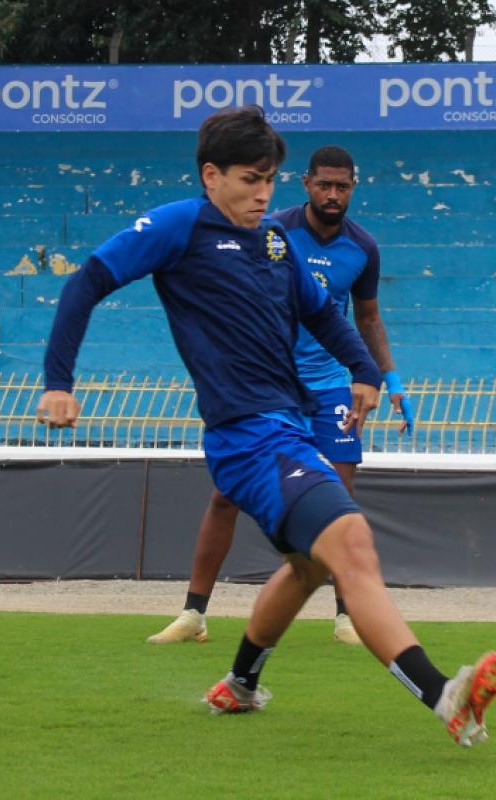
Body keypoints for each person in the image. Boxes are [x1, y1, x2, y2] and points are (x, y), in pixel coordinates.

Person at [37, 106, 496, 745]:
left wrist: (363, 371)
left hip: (287, 426)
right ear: (212, 175)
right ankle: (443, 697)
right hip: (248, 436)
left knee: (308, 567)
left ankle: (241, 684)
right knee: (350, 543)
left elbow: (323, 314)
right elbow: (87, 280)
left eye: (271, 181)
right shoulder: (179, 226)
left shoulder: (276, 242)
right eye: (251, 179)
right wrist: (59, 383)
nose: (263, 194)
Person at [146, 144, 415, 647]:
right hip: (273, 385)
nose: (333, 194)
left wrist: (389, 377)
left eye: (343, 186)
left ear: (353, 188)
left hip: (334, 382)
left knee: (339, 493)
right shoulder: (274, 232)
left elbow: (367, 317)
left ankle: (345, 617)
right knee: (225, 496)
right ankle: (194, 614)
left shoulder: (364, 248)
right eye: (324, 184)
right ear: (307, 183)